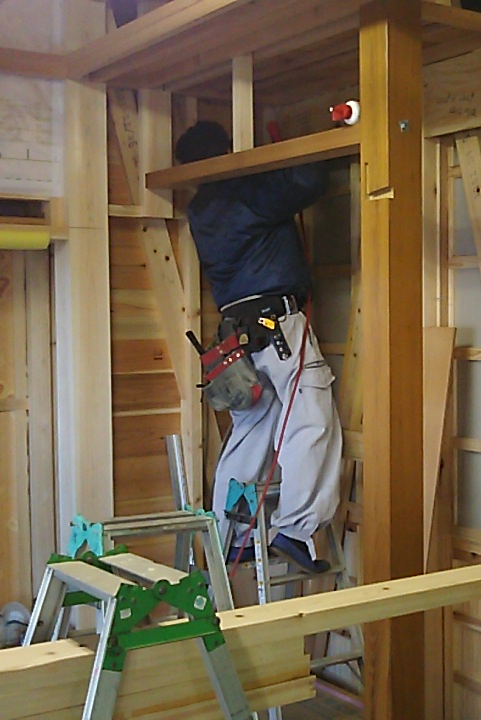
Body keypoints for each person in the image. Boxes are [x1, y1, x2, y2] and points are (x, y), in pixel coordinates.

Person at [176, 120, 342, 574]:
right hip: (278, 325)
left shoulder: (200, 209)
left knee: (249, 436)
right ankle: (295, 530)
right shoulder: (243, 192)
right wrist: (298, 146)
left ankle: (233, 538)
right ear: (225, 153)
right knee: (310, 420)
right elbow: (307, 181)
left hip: (239, 338)